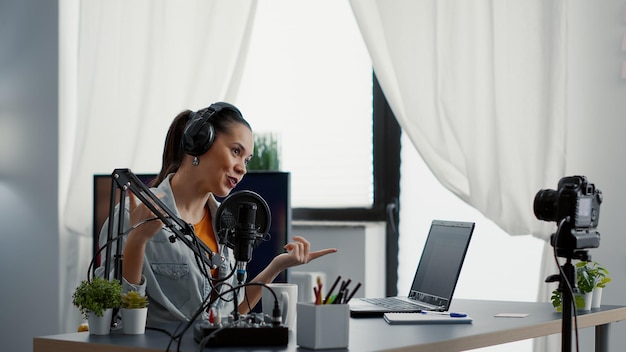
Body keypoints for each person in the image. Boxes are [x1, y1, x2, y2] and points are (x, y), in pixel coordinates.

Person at [96, 102, 337, 324]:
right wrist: (138, 241)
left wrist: (276, 267)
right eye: (235, 151)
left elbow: (234, 312)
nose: (242, 168)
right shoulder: (132, 215)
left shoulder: (226, 223)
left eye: (247, 159)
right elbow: (112, 317)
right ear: (200, 142)